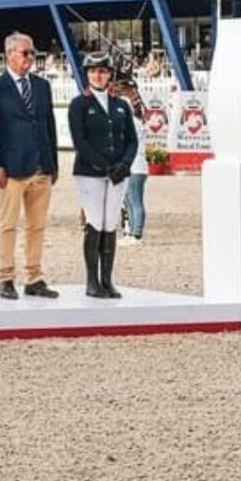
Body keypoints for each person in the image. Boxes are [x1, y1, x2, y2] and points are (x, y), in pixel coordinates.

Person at [0, 32, 60, 301]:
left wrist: (53, 162)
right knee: (8, 225)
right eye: (26, 53)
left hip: (41, 166)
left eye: (33, 53)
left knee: (37, 226)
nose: (31, 58)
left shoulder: (41, 86)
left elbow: (49, 126)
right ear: (10, 54)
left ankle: (34, 277)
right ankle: (5, 276)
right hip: (11, 169)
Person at [68, 52, 136, 300]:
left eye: (103, 71)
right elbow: (80, 140)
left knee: (110, 223)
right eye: (94, 71)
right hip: (90, 172)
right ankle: (91, 280)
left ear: (110, 75)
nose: (99, 75)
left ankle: (107, 280)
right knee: (95, 222)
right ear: (87, 75)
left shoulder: (120, 105)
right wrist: (104, 166)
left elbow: (131, 139)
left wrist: (124, 164)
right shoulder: (79, 104)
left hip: (118, 172)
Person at [114, 75, 150, 243]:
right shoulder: (137, 115)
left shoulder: (132, 119)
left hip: (136, 163)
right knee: (129, 198)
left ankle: (136, 233)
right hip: (135, 164)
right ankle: (131, 232)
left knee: (134, 199)